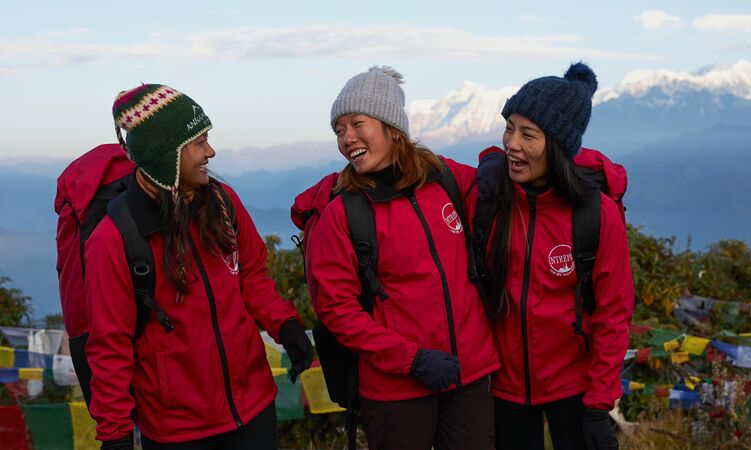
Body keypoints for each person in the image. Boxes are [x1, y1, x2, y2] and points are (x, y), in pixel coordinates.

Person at [85, 84, 313, 450]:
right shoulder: (114, 239)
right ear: (165, 154)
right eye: (198, 142)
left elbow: (251, 275)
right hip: (179, 430)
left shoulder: (222, 202)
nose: (211, 151)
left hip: (252, 407)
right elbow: (109, 346)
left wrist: (285, 325)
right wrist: (115, 435)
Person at [307, 66, 499, 450]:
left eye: (357, 123)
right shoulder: (343, 214)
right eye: (339, 129)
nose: (347, 139)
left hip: (469, 374)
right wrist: (412, 361)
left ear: (392, 127)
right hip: (396, 389)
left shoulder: (445, 179)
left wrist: (493, 160)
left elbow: (511, 184)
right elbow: (336, 310)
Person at [473, 63, 634, 450]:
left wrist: (598, 405)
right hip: (503, 388)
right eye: (509, 128)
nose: (511, 143)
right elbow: (419, 177)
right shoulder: (489, 197)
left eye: (528, 134)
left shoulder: (595, 214)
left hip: (575, 390)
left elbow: (614, 313)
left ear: (557, 145)